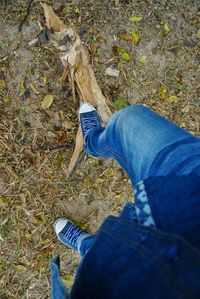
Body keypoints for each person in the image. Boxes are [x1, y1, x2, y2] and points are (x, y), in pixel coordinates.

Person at [51, 104, 200, 299]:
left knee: (107, 266)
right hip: (189, 193)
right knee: (128, 121)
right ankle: (93, 142)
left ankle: (87, 246)